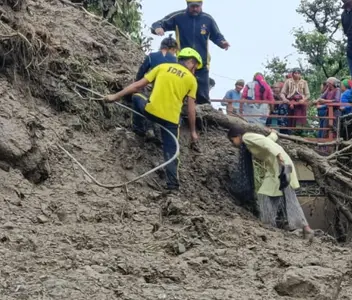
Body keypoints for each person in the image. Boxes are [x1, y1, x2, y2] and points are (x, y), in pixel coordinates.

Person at [104, 48, 202, 193]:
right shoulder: (191, 80)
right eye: (195, 66)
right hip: (171, 121)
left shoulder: (162, 67)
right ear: (191, 62)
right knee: (172, 152)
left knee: (137, 96)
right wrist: (193, 132)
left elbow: (137, 85)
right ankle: (173, 187)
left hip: (151, 112)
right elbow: (191, 109)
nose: (195, 70)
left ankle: (139, 129)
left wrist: (114, 96)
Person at [226, 126, 313, 234]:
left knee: (287, 197)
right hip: (275, 168)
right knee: (270, 194)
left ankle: (273, 226)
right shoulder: (248, 141)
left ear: (238, 136)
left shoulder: (246, 137)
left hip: (280, 165)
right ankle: (272, 224)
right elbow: (267, 141)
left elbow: (265, 142)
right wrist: (274, 134)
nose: (232, 143)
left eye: (232, 140)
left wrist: (279, 156)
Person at [151, 0, 229, 105]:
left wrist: (222, 42)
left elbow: (217, 35)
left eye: (197, 6)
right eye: (192, 6)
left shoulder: (208, 19)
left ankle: (202, 119)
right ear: (187, 5)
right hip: (183, 64)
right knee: (181, 93)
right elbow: (158, 23)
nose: (195, 9)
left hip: (201, 64)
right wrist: (158, 28)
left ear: (202, 5)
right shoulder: (178, 17)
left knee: (203, 98)